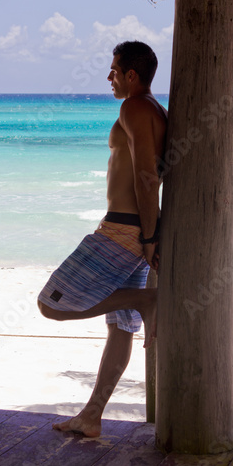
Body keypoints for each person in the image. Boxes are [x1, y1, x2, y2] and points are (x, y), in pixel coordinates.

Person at [37, 40, 167, 437]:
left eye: (113, 70)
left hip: (123, 230)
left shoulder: (134, 106)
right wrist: (149, 235)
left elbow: (147, 175)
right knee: (120, 329)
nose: (108, 77)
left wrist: (148, 236)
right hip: (132, 229)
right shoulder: (154, 110)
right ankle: (92, 416)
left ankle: (145, 300)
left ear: (131, 74)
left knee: (50, 304)